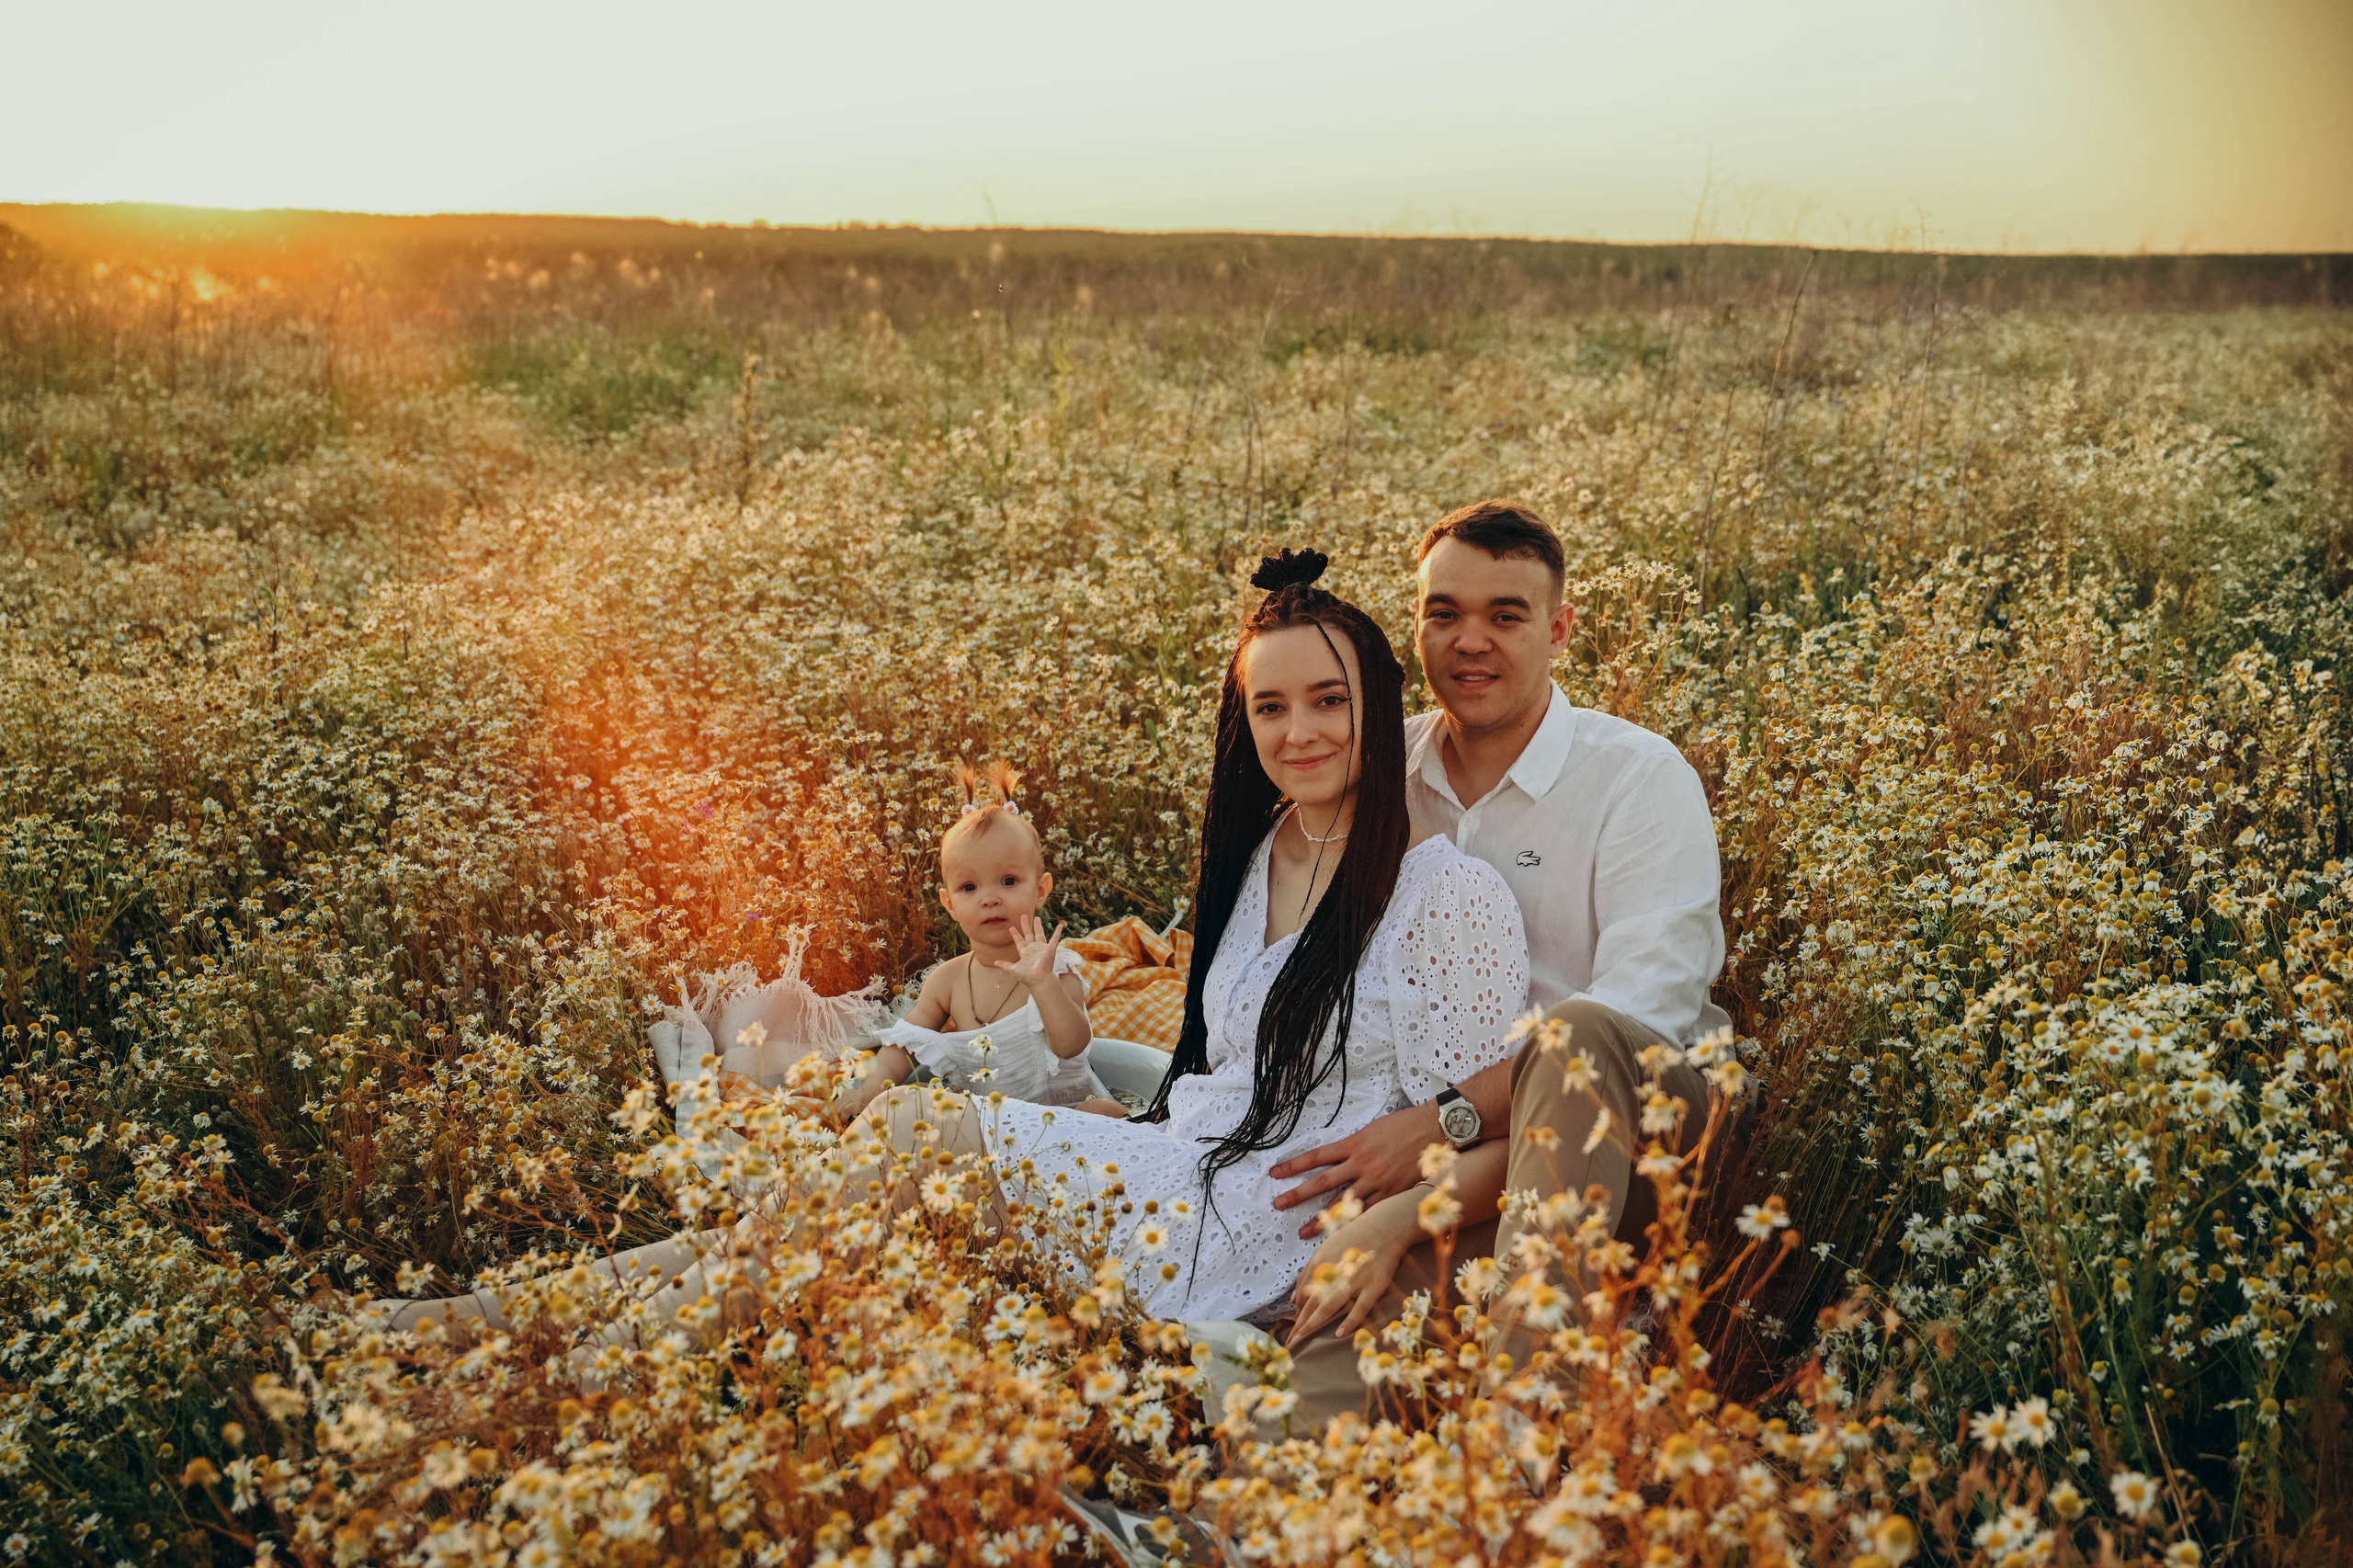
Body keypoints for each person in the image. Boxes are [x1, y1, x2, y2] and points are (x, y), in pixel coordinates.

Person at [857, 546, 1533, 1323]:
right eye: (1270, 707)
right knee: (898, 1147)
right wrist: (1150, 1124)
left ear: (1378, 707)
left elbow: (1509, 1134)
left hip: (1269, 1220)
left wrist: (1390, 1221)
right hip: (1192, 1163)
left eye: (1329, 700)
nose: (1299, 733)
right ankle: (704, 1285)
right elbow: (1235, 1069)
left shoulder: (1447, 893)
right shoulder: (1264, 850)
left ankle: (701, 1304)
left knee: (911, 1131)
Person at [1267, 499, 1727, 1420]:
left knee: (1580, 1028)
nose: (1468, 641)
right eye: (1444, 613)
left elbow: (1636, 1027)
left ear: (1559, 630)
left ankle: (1529, 1432)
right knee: (1333, 1342)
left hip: (1639, 1129)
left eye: (1504, 616)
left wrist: (1442, 1131)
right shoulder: (1376, 770)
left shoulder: (1637, 779)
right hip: (1475, 1161)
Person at [836, 760, 1125, 1119]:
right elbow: (904, 1043)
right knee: (914, 1102)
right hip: (988, 1127)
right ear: (949, 903)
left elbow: (1071, 1046)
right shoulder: (948, 981)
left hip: (1065, 1117)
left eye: (1008, 881)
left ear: (1040, 889)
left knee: (1107, 1110)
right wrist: (866, 1091)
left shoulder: (1054, 967)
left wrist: (1042, 983)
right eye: (969, 887)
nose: (990, 898)